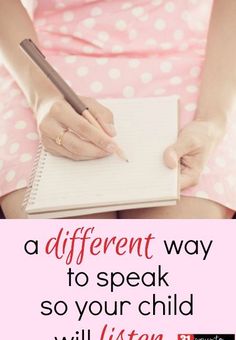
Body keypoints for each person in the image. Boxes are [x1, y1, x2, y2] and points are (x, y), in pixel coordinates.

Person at [0, 0, 235, 219]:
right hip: (43, 68)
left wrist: (211, 121)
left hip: (201, 67)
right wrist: (43, 97)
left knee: (181, 243)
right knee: (58, 249)